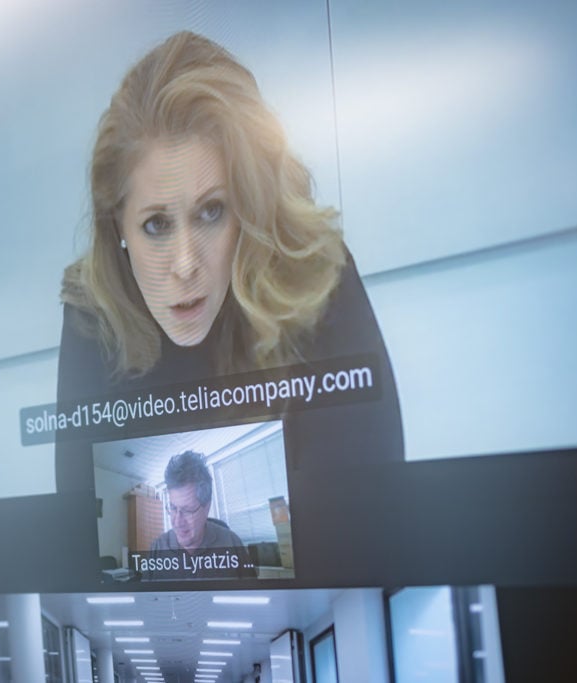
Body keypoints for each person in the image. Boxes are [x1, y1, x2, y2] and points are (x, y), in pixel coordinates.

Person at [56, 31, 403, 475]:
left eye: (212, 211)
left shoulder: (313, 272)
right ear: (117, 225)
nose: (185, 265)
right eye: (156, 225)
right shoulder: (93, 310)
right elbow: (79, 524)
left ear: (249, 205)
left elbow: (373, 500)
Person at [150, 451, 244, 554]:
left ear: (207, 507)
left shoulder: (232, 544)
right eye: (173, 508)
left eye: (187, 510)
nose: (177, 522)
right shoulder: (157, 548)